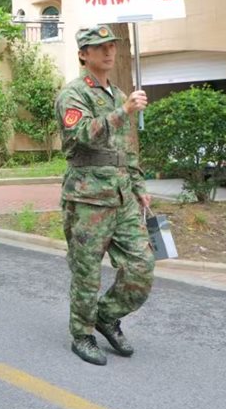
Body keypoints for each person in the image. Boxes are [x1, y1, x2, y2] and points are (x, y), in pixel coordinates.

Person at [54, 25, 154, 367]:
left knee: (141, 267)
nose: (108, 52)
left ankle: (105, 315)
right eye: (99, 48)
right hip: (87, 199)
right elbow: (82, 134)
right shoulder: (73, 94)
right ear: (84, 54)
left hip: (122, 195)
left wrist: (139, 187)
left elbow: (128, 148)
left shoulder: (118, 94)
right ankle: (81, 333)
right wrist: (124, 111)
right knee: (86, 272)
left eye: (111, 46)